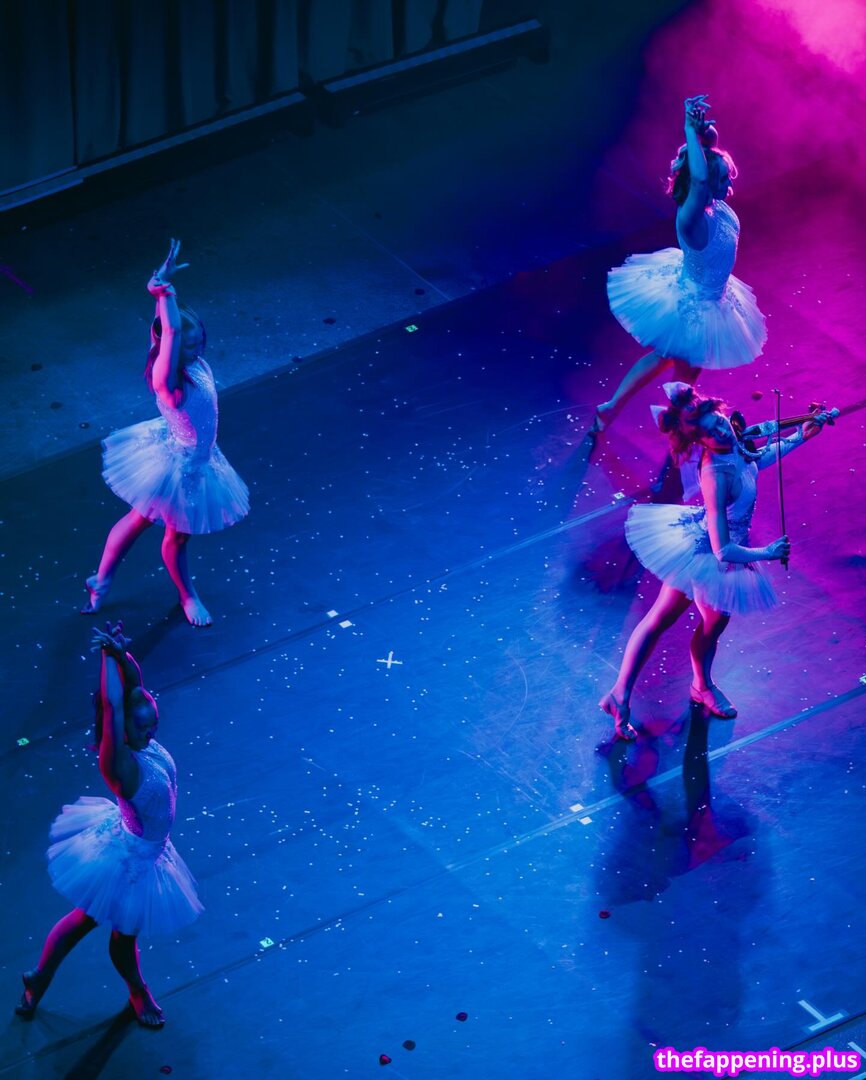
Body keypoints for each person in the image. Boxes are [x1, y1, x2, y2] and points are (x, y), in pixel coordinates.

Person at [599, 381, 831, 740]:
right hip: (714, 556)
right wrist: (767, 553)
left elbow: (755, 461)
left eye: (719, 421)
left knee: (661, 618)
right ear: (700, 441)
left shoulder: (734, 443)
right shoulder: (715, 475)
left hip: (696, 545)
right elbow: (723, 550)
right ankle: (701, 686)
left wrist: (800, 435)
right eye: (711, 431)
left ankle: (620, 694)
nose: (722, 430)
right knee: (713, 622)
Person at [14, 624, 202, 1027]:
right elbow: (113, 706)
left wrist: (119, 654)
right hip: (131, 862)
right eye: (144, 728)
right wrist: (104, 659)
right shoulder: (118, 763)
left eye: (154, 726)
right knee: (122, 934)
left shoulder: (141, 742)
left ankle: (39, 977)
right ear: (122, 729)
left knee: (86, 919)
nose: (151, 734)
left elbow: (133, 687)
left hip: (146, 850)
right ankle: (138, 991)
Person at [81, 240, 249, 627]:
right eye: (187, 346)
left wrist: (161, 291)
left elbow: (172, 326)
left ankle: (100, 581)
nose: (196, 349)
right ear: (166, 346)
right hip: (183, 467)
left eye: (199, 341)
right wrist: (164, 292)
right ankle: (187, 596)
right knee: (177, 537)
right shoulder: (166, 380)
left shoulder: (192, 363)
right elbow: (170, 330)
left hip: (190, 453)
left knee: (140, 518)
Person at [594, 96, 766, 433]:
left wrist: (701, 130)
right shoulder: (691, 218)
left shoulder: (711, 203)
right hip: (695, 307)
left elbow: (709, 150)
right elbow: (700, 179)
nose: (730, 185)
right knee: (685, 375)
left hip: (713, 295)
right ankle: (675, 429)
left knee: (666, 358)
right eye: (723, 180)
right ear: (704, 185)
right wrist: (688, 128)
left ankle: (612, 409)